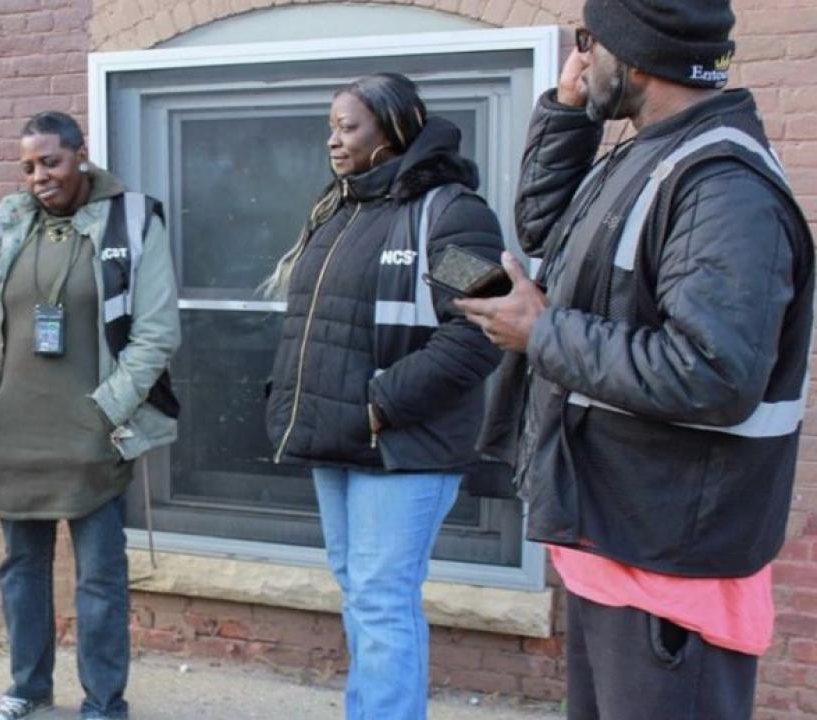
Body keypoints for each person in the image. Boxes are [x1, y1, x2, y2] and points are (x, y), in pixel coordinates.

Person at [455, 2, 813, 717]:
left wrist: (541, 333)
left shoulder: (722, 187)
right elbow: (543, 227)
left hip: (671, 561)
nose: (579, 61)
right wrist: (566, 112)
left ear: (638, 58)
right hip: (617, 538)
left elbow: (713, 374)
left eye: (589, 43)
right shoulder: (646, 150)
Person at [263, 73, 505, 720]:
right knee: (361, 594)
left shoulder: (450, 215)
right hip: (337, 438)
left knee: (381, 598)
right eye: (331, 127)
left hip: (402, 444)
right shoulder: (341, 208)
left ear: (395, 129)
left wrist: (380, 404)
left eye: (349, 127)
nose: (333, 142)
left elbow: (484, 331)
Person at [0, 110, 180, 720]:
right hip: (14, 429)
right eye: (28, 166)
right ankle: (27, 686)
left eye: (51, 162)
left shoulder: (132, 219)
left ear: (81, 155)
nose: (39, 177)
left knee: (101, 578)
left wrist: (105, 409)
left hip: (92, 432)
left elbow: (158, 332)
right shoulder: (8, 220)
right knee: (21, 568)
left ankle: (104, 703)